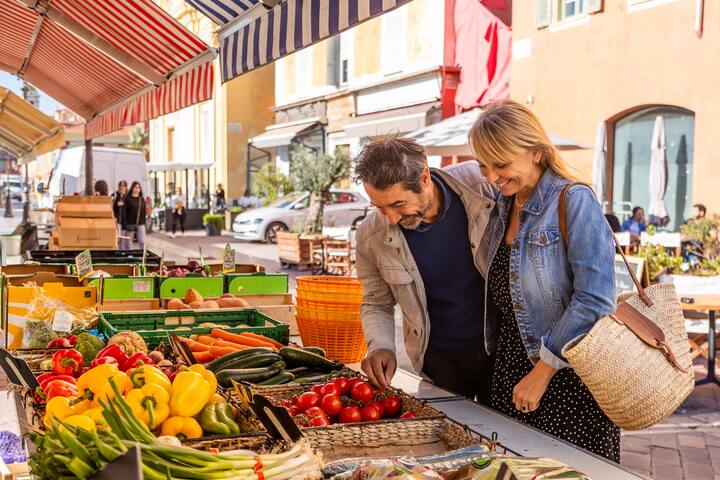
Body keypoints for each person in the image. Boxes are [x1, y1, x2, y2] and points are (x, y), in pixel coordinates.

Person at [468, 99, 619, 461]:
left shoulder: (574, 200)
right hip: (510, 373)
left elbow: (595, 299)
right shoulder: (504, 204)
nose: (491, 177)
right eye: (484, 165)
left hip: (566, 380)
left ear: (536, 152)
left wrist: (543, 371)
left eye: (501, 164)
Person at [354, 136, 498, 404]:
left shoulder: (482, 184)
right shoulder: (369, 236)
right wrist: (381, 346)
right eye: (380, 207)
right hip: (438, 360)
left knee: (508, 430)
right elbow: (376, 302)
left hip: (501, 351)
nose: (391, 218)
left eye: (398, 204)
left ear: (424, 178)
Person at [120, 181, 147, 250]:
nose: (137, 189)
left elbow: (144, 212)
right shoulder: (127, 199)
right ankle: (129, 256)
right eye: (135, 187)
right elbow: (124, 212)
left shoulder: (141, 199)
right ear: (132, 188)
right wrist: (124, 224)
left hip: (140, 223)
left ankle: (142, 255)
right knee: (129, 244)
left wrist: (144, 223)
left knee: (142, 242)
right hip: (130, 223)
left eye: (138, 188)